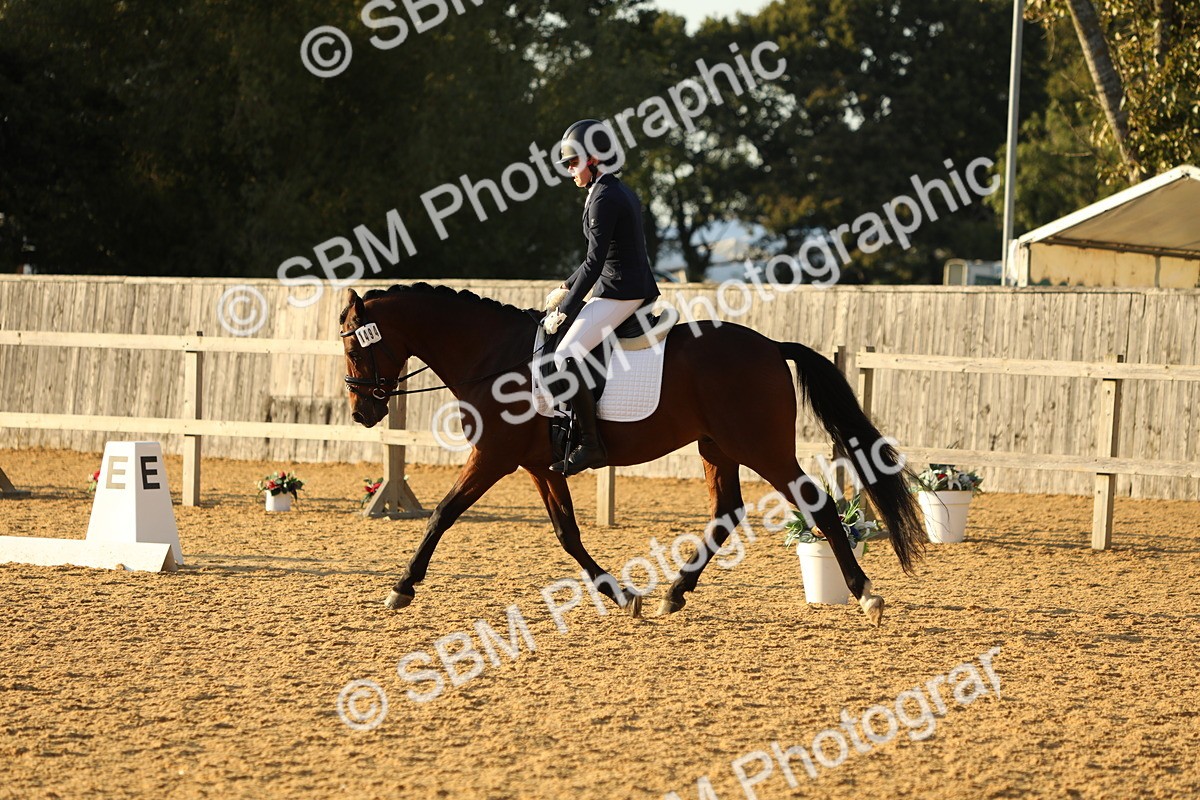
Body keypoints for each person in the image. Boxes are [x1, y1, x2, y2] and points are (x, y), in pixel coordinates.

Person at [544, 118, 660, 476]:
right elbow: (598, 257)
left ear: (594, 158)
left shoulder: (605, 197)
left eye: (572, 162)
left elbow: (595, 262)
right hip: (625, 284)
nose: (569, 170)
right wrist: (566, 287)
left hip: (621, 292)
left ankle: (591, 445)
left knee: (564, 354)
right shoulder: (611, 190)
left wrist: (566, 308)